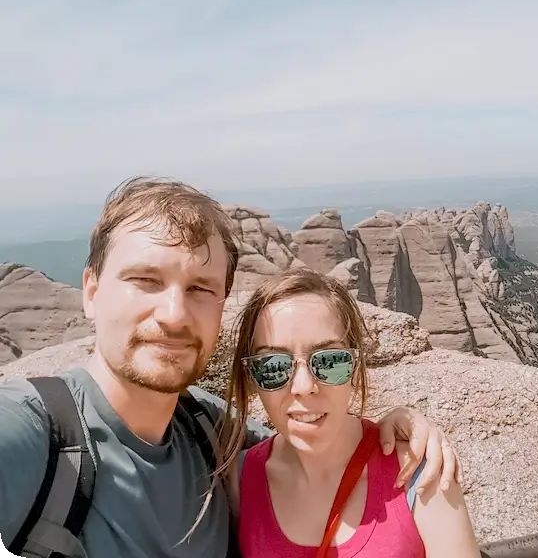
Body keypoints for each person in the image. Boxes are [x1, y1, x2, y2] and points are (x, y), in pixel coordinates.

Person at [0, 177, 462, 558]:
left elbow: (310, 436)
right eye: (146, 280)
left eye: (201, 288)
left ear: (221, 307)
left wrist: (400, 426)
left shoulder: (209, 433)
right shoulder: (32, 436)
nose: (174, 314)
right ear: (92, 291)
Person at [217, 268, 482, 557]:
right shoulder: (239, 481)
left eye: (330, 361)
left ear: (356, 368)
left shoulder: (421, 475)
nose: (304, 387)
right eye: (273, 366)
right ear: (251, 377)